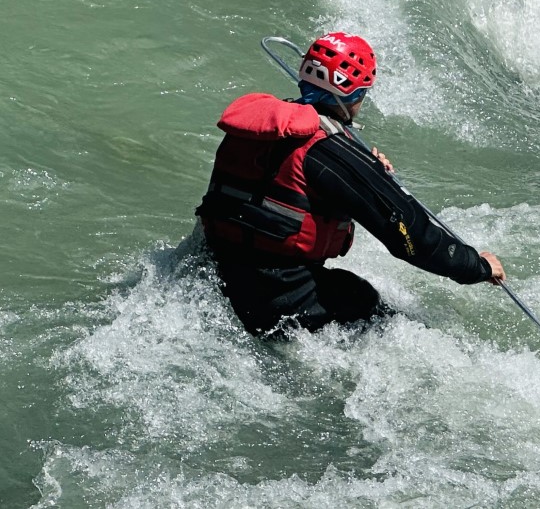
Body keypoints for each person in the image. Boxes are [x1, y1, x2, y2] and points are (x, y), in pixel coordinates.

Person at [195, 32, 505, 335]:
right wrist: (475, 265)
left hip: (211, 275)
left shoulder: (258, 126)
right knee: (368, 306)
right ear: (354, 96)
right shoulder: (330, 151)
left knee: (347, 288)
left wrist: (362, 168)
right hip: (277, 303)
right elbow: (411, 237)